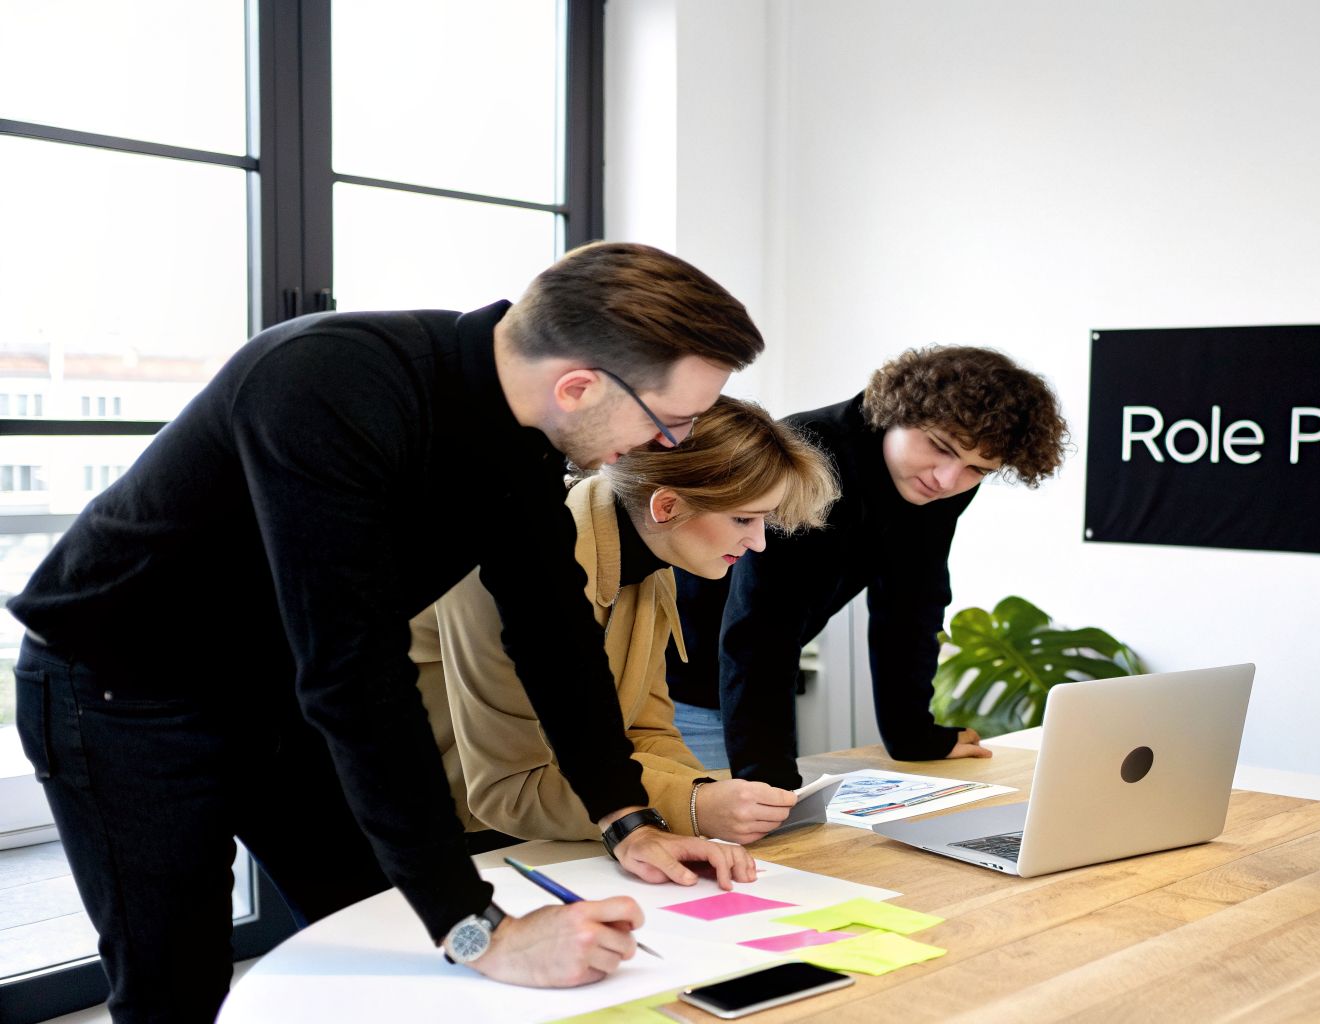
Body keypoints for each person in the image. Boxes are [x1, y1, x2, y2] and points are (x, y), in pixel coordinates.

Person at [9, 242, 766, 1021]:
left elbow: (553, 629)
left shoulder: (524, 435)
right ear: (577, 386)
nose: (666, 449)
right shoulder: (329, 383)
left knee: (384, 927)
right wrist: (480, 929)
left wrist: (627, 820)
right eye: (669, 424)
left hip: (276, 682)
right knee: (176, 980)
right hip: (120, 688)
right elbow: (356, 670)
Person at [413, 397, 837, 846]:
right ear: (667, 506)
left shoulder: (651, 565)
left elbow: (642, 732)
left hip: (539, 823)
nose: (757, 543)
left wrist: (708, 797)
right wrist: (692, 809)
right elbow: (512, 786)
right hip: (411, 830)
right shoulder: (509, 567)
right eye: (742, 519)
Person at [666, 346, 1069, 787]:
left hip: (753, 686)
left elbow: (913, 603)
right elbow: (762, 625)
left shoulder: (935, 486)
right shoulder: (807, 453)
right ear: (893, 411)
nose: (947, 479)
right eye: (939, 447)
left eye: (977, 469)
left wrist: (913, 736)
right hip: (679, 688)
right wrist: (769, 780)